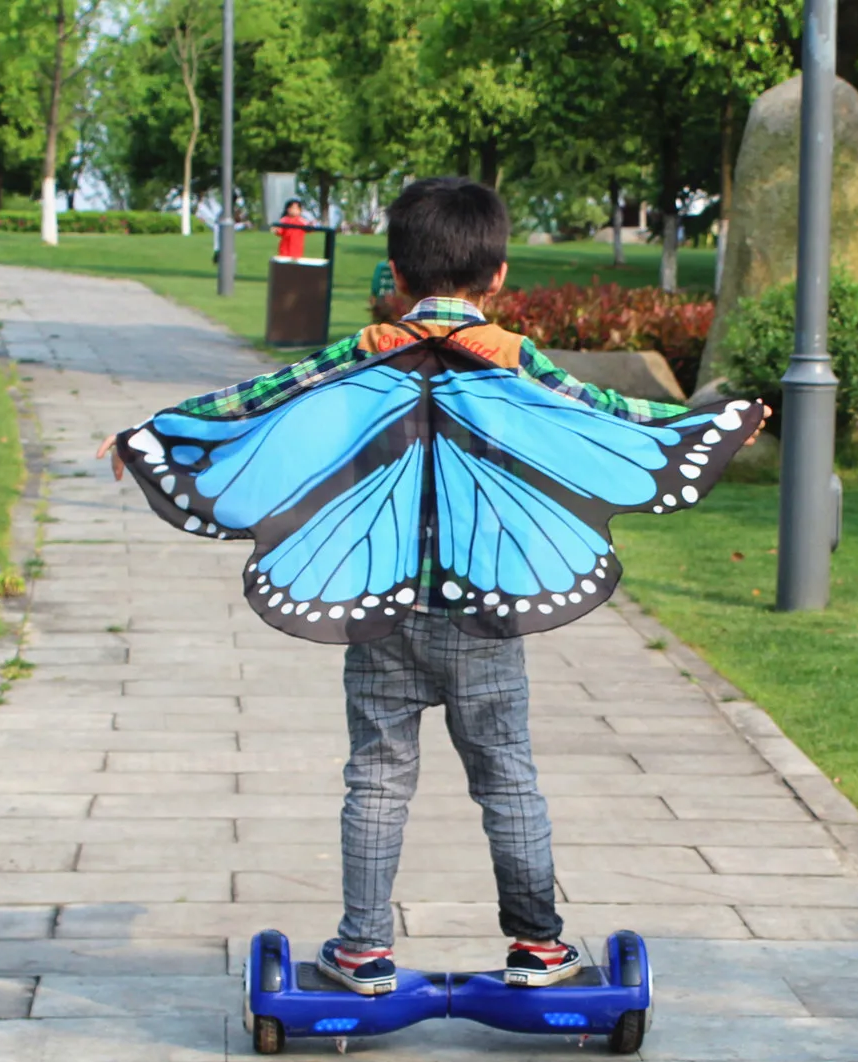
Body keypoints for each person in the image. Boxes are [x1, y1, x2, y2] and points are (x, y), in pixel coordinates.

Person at [97, 177, 768, 998]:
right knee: (508, 776)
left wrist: (153, 435)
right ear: (498, 277)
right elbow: (614, 417)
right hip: (487, 612)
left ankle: (363, 952)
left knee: (376, 775)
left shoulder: (366, 348)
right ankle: (537, 947)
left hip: (375, 608)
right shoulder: (515, 358)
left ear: (395, 274)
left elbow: (256, 403)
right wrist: (718, 423)